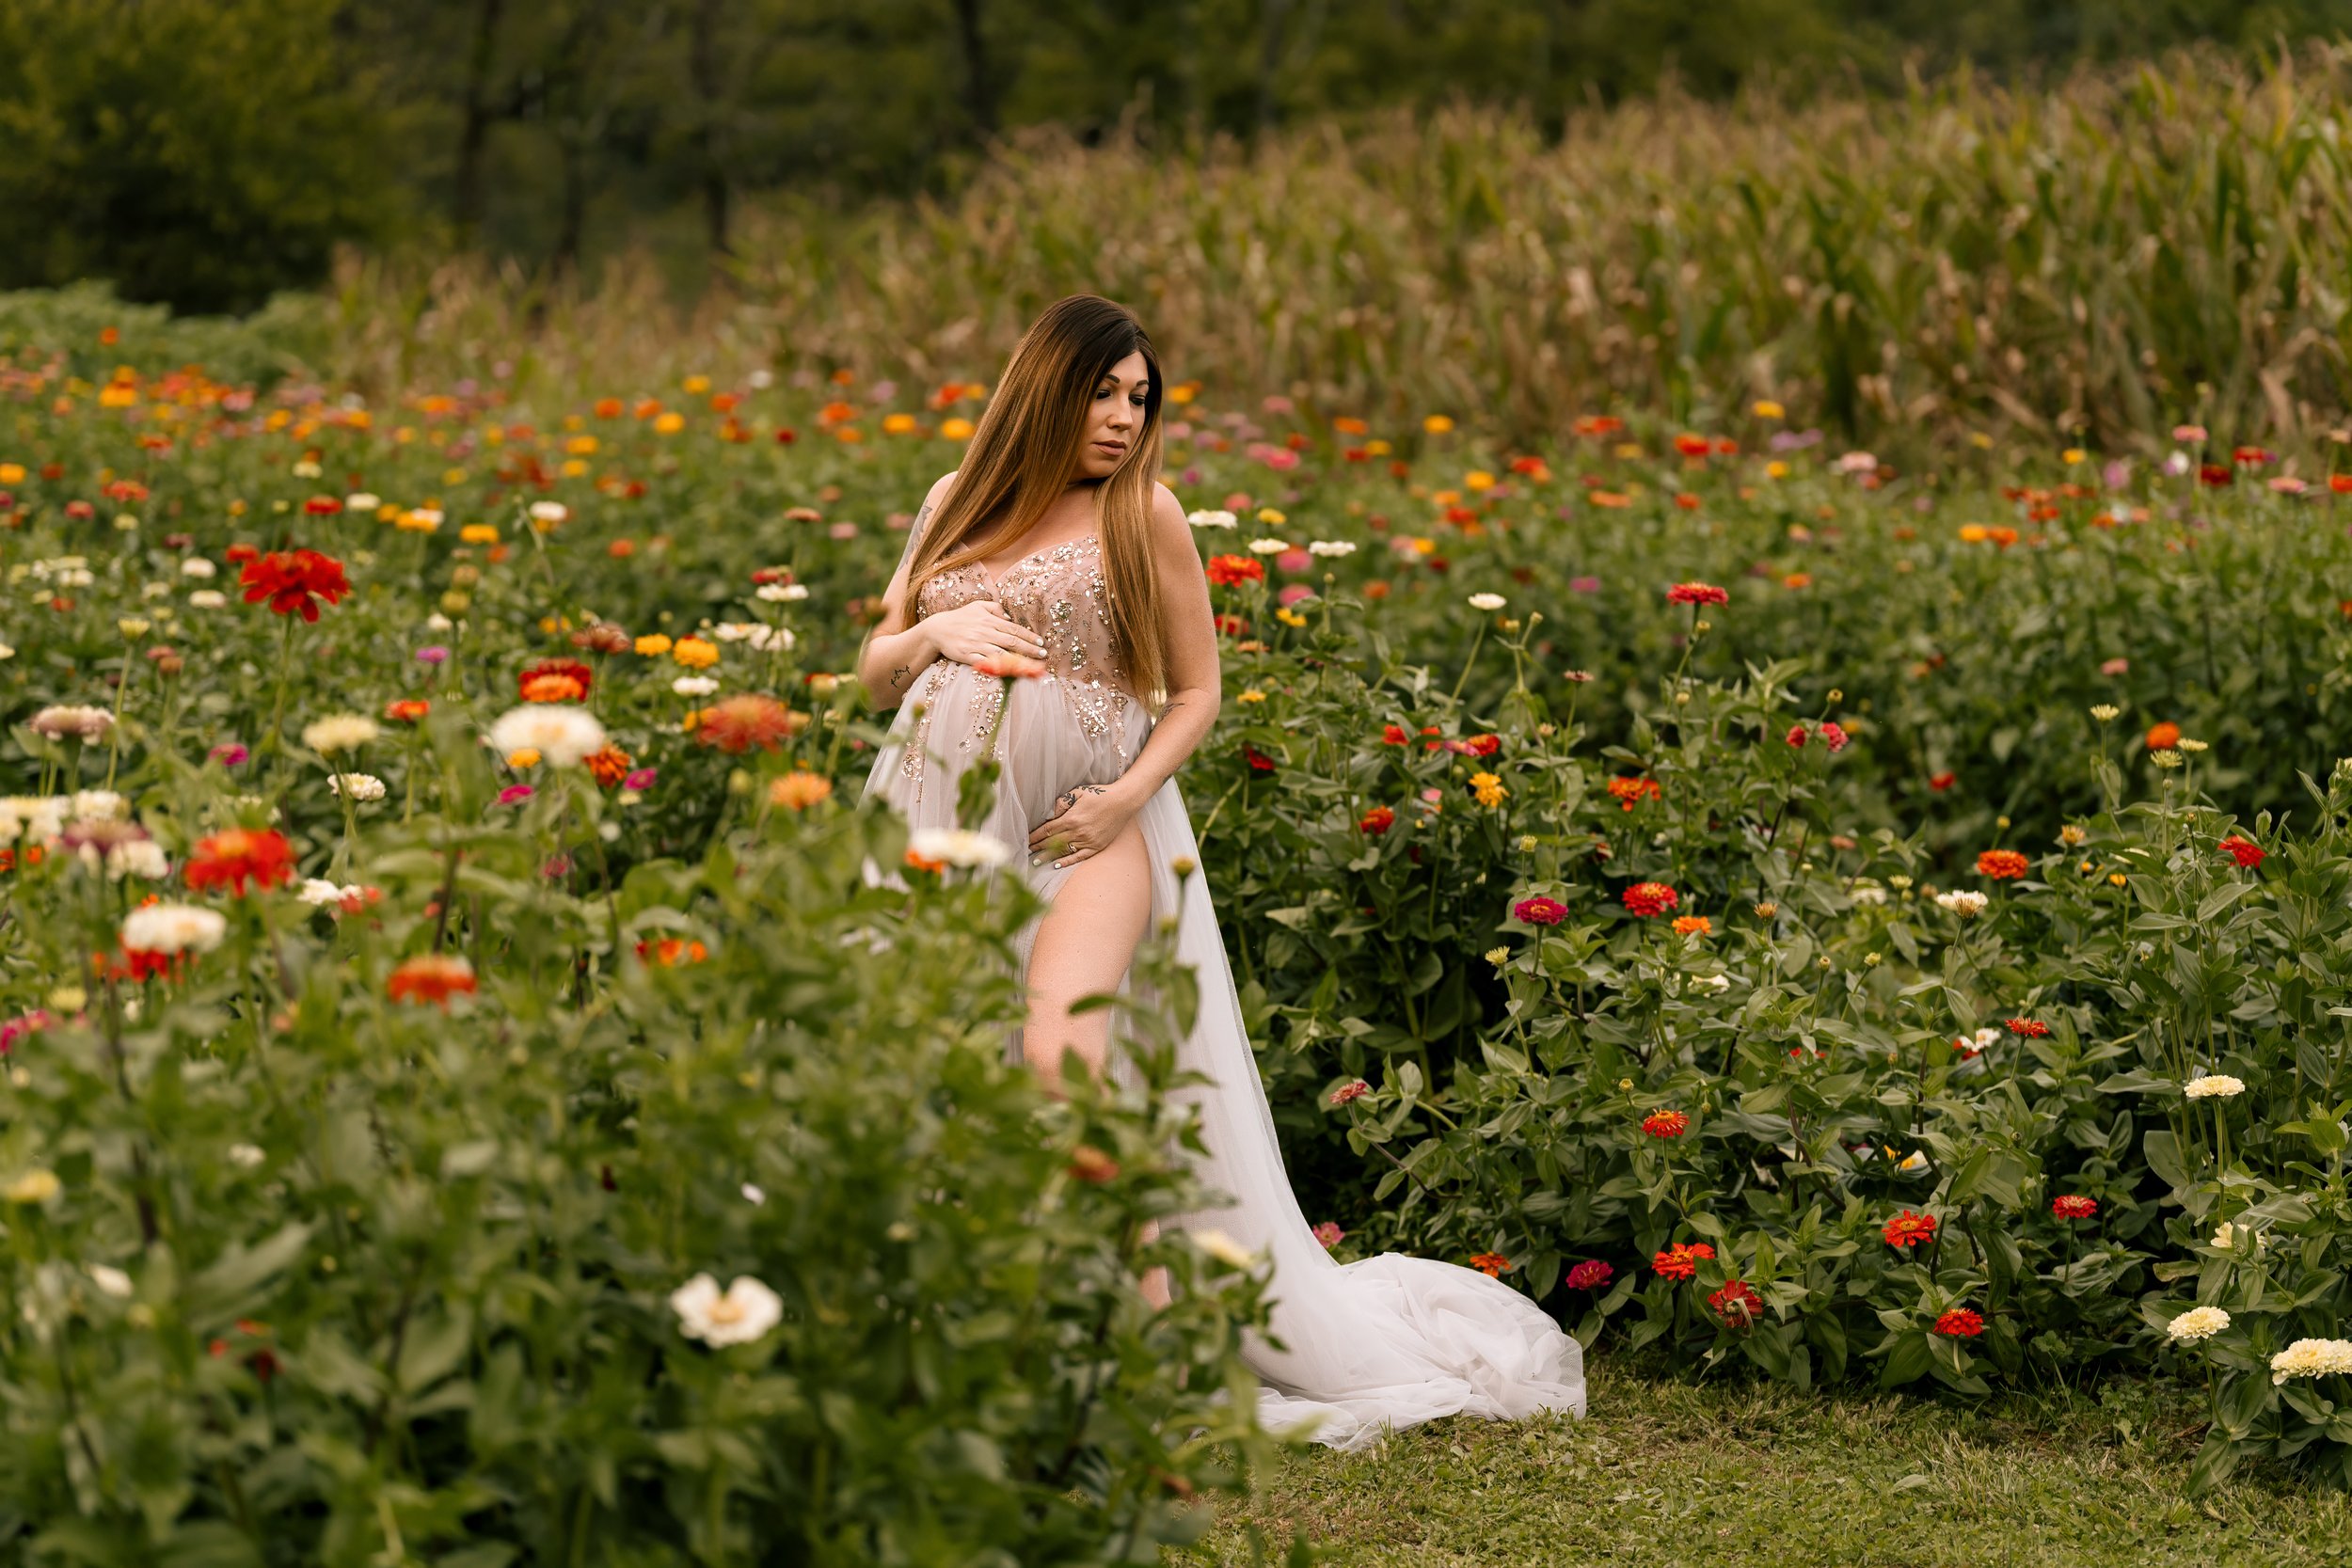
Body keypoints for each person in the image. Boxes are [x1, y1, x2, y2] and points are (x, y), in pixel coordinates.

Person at [854, 293, 1585, 1450]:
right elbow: (875, 669)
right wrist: (935, 635)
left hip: (1088, 830)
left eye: (1138, 398)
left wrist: (1125, 801)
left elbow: (1195, 691)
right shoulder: (953, 503)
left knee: (1060, 1064)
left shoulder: (1146, 514)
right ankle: (993, 1335)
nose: (1121, 416)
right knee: (948, 1068)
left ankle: (1151, 1365)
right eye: (1103, 390)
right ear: (1049, 383)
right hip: (946, 833)